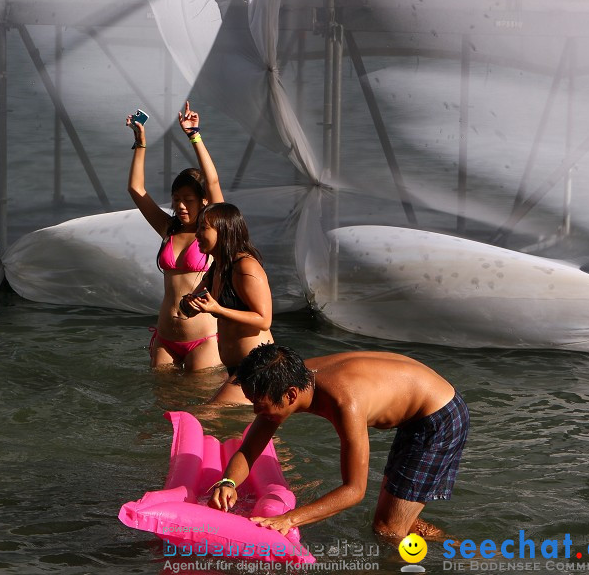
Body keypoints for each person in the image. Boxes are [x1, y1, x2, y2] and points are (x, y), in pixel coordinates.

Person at [209, 343, 469, 540]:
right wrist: (228, 482)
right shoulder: (284, 379)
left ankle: (456, 553)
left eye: (259, 406)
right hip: (418, 405)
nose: (255, 413)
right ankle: (451, 543)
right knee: (396, 515)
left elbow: (354, 491)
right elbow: (249, 449)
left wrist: (289, 519)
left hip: (438, 417)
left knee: (387, 529)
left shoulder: (344, 402)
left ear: (290, 395)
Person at [126, 101, 223, 372]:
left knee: (204, 409)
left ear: (203, 201)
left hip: (203, 339)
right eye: (176, 199)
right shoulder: (169, 228)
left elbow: (213, 182)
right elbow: (136, 189)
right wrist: (140, 143)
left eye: (188, 200)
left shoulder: (213, 228)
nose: (180, 205)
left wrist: (195, 136)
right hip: (165, 338)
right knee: (160, 407)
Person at [182, 203, 274, 403]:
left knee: (206, 416)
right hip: (236, 367)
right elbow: (190, 304)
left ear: (224, 230)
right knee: (244, 429)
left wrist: (218, 309)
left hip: (258, 365)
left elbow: (264, 320)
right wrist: (189, 305)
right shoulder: (217, 267)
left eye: (203, 228)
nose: (196, 234)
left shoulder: (245, 267)